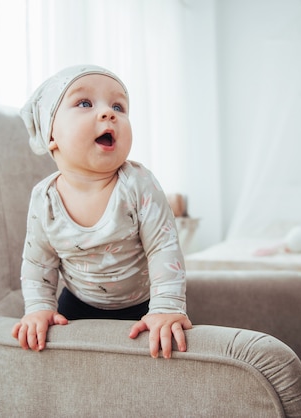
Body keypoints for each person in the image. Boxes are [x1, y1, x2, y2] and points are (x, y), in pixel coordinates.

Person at [11, 65, 192, 359]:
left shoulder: (138, 183)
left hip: (145, 305)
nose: (109, 113)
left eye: (119, 106)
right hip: (78, 303)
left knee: (162, 352)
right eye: (85, 103)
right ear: (50, 134)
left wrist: (167, 307)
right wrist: (39, 308)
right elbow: (37, 262)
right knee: (58, 361)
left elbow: (163, 246)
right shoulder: (44, 199)